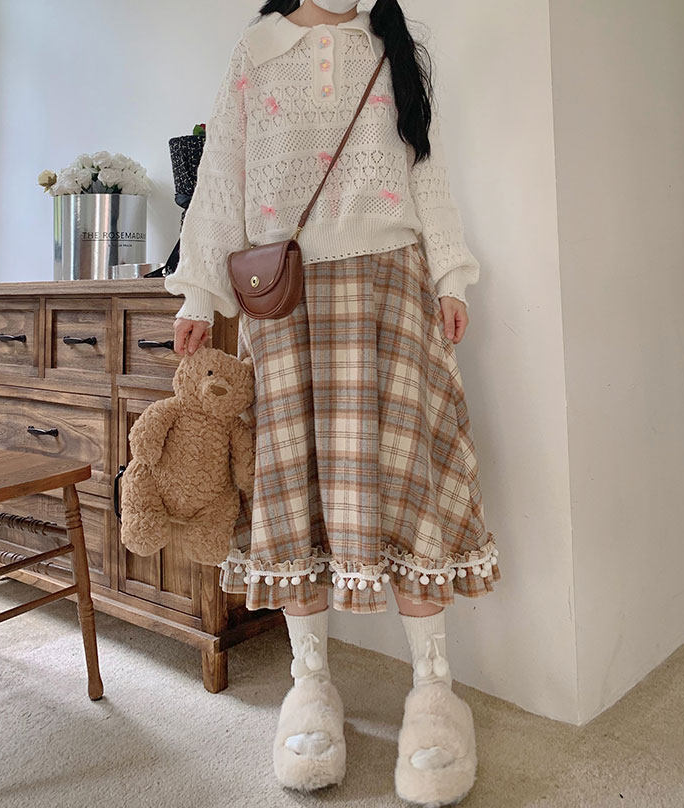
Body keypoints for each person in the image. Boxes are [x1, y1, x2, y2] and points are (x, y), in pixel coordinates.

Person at [167, 1, 500, 804]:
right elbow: (222, 178)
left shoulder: (394, 47)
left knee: (409, 480)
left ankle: (433, 689)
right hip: (286, 306)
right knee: (294, 493)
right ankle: (308, 682)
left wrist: (451, 272)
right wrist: (195, 295)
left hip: (393, 287)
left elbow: (429, 166)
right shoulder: (257, 51)